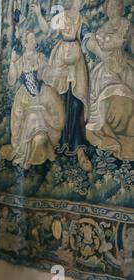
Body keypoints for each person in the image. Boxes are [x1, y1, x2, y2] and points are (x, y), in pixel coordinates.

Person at [33, 0, 93, 172]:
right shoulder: (61, 16)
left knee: (76, 104)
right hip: (59, 61)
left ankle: (79, 148)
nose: (81, 2)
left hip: (77, 64)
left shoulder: (82, 19)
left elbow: (87, 37)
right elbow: (48, 32)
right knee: (59, 102)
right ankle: (57, 143)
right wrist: (38, 14)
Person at [1, 31, 64, 169]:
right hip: (25, 98)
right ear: (25, 43)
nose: (34, 42)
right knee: (26, 119)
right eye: (31, 40)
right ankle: (27, 155)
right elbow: (11, 80)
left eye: (34, 39)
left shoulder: (40, 57)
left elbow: (48, 75)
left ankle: (45, 153)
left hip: (41, 95)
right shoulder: (21, 60)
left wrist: (49, 72)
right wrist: (12, 62)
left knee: (48, 118)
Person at [85, 0, 134, 160]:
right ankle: (108, 131)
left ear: (122, 8)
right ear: (107, 10)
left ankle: (126, 131)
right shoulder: (102, 29)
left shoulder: (127, 26)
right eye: (111, 7)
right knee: (108, 94)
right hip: (106, 68)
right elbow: (97, 46)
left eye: (118, 6)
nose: (114, 9)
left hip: (124, 66)